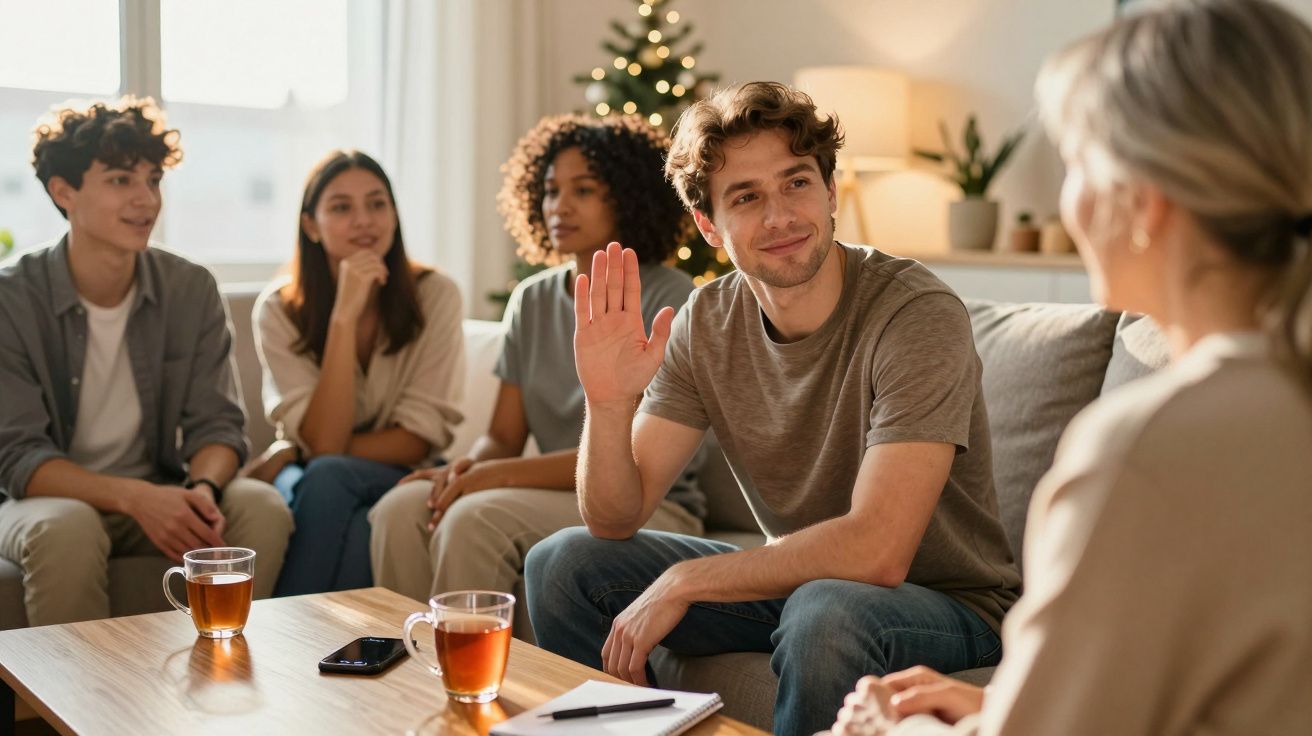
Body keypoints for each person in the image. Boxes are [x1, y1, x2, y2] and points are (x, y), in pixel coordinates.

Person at [829, 1, 1312, 734]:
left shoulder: (1148, 445)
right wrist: (994, 705)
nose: (1067, 199)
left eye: (1076, 163)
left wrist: (889, 728)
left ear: (1144, 203)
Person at [524, 82, 1022, 736]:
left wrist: (688, 580)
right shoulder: (707, 321)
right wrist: (610, 403)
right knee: (563, 564)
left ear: (830, 190)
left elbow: (879, 551)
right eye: (747, 197)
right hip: (806, 586)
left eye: (796, 184)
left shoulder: (915, 313)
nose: (781, 216)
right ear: (709, 225)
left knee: (827, 611)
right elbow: (615, 517)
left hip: (952, 607)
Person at [368, 115, 705, 630]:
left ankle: (465, 686)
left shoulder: (668, 297)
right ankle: (405, 665)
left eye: (583, 190)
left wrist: (492, 476)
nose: (559, 206)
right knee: (403, 505)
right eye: (550, 191)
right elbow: (503, 436)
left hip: (646, 501)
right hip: (549, 492)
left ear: (628, 197)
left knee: (473, 520)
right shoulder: (532, 299)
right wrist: (464, 468)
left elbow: (632, 449)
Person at [0, 97, 293, 624]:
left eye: (153, 180)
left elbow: (219, 428)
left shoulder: (190, 288)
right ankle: (72, 706)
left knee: (259, 508)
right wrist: (138, 499)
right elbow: (19, 458)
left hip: (158, 489)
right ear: (63, 192)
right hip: (44, 500)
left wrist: (200, 493)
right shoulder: (12, 298)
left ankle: (219, 679)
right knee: (68, 527)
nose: (146, 200)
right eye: (119, 181)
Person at [245, 150, 464, 596]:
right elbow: (326, 444)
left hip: (403, 468)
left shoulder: (436, 295)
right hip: (318, 477)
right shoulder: (278, 309)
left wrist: (302, 451)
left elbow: (414, 439)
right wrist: (343, 318)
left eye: (377, 203)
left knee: (326, 473)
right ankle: (343, 653)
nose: (364, 220)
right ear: (311, 225)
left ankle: (286, 642)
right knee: (352, 519)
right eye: (342, 207)